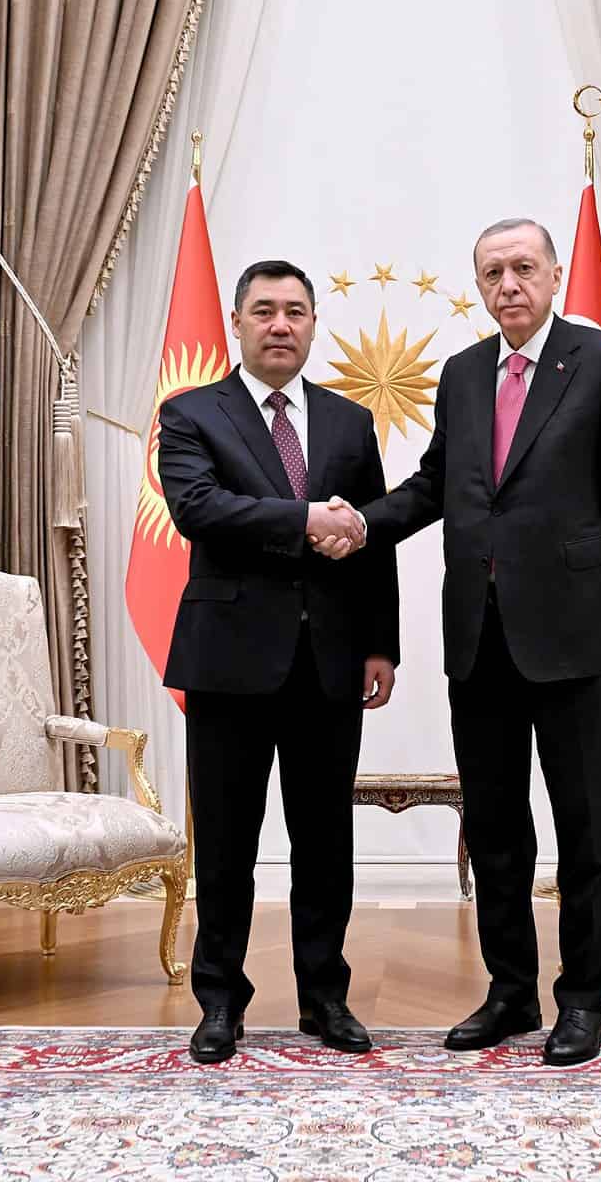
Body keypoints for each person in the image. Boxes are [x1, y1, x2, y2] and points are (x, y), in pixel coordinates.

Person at [324, 219, 601, 1066]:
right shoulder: (465, 373)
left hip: (578, 636)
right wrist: (361, 524)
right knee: (497, 826)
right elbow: (438, 483)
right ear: (479, 286)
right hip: (479, 635)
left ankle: (583, 1001)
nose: (508, 284)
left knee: (587, 829)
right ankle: (511, 992)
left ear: (554, 273)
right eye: (492, 273)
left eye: (522, 268)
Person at [158, 259, 399, 1064]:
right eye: (264, 310)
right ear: (237, 322)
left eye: (295, 310)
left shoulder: (349, 422)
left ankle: (325, 998)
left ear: (313, 324)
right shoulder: (191, 412)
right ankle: (219, 1002)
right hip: (227, 661)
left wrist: (380, 643)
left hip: (330, 661)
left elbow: (371, 540)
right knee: (227, 842)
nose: (280, 325)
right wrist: (303, 519)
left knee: (325, 842)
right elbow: (198, 509)